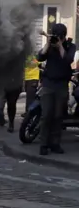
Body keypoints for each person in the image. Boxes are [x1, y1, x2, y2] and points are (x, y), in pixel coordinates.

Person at [37, 24, 76, 155]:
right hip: (48, 84)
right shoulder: (50, 46)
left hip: (62, 86)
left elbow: (67, 60)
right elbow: (40, 57)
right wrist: (48, 44)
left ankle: (55, 143)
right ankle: (43, 144)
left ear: (64, 36)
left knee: (58, 116)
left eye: (60, 37)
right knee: (46, 115)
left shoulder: (71, 46)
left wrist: (60, 46)